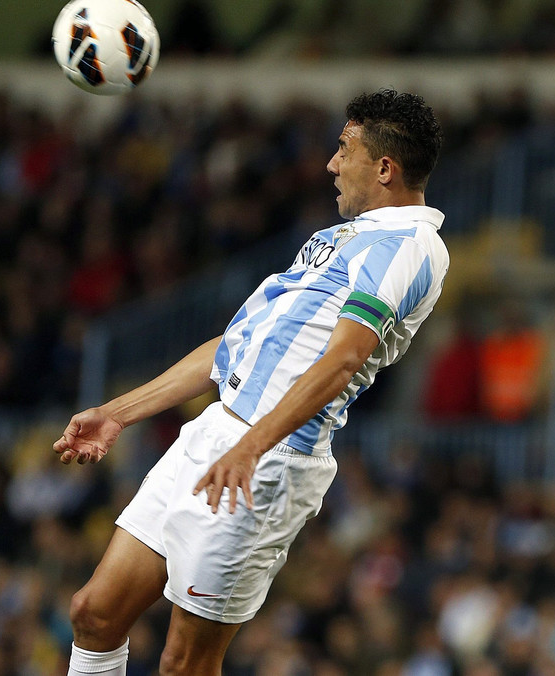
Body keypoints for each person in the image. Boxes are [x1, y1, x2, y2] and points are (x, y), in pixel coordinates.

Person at [51, 89, 447, 676]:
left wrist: (250, 447)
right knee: (94, 612)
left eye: (344, 150)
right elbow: (230, 349)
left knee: (185, 662)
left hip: (270, 461)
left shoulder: (410, 246)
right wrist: (119, 412)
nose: (330, 164)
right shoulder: (341, 239)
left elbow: (340, 363)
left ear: (384, 168)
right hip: (216, 433)